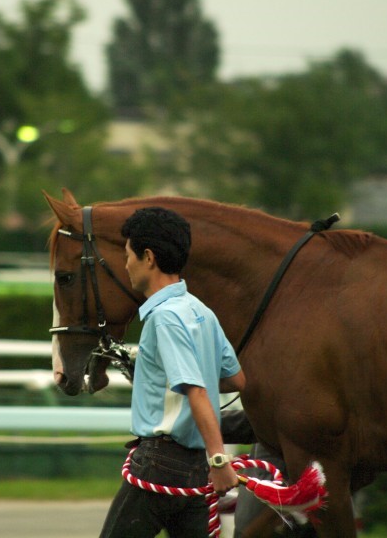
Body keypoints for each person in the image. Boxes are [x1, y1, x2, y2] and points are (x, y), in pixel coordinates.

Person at [100, 206, 246, 538]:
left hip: (160, 466)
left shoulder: (164, 317)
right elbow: (237, 380)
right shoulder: (201, 311)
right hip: (193, 472)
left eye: (128, 255)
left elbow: (196, 389)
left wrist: (220, 462)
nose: (126, 265)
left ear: (148, 257)